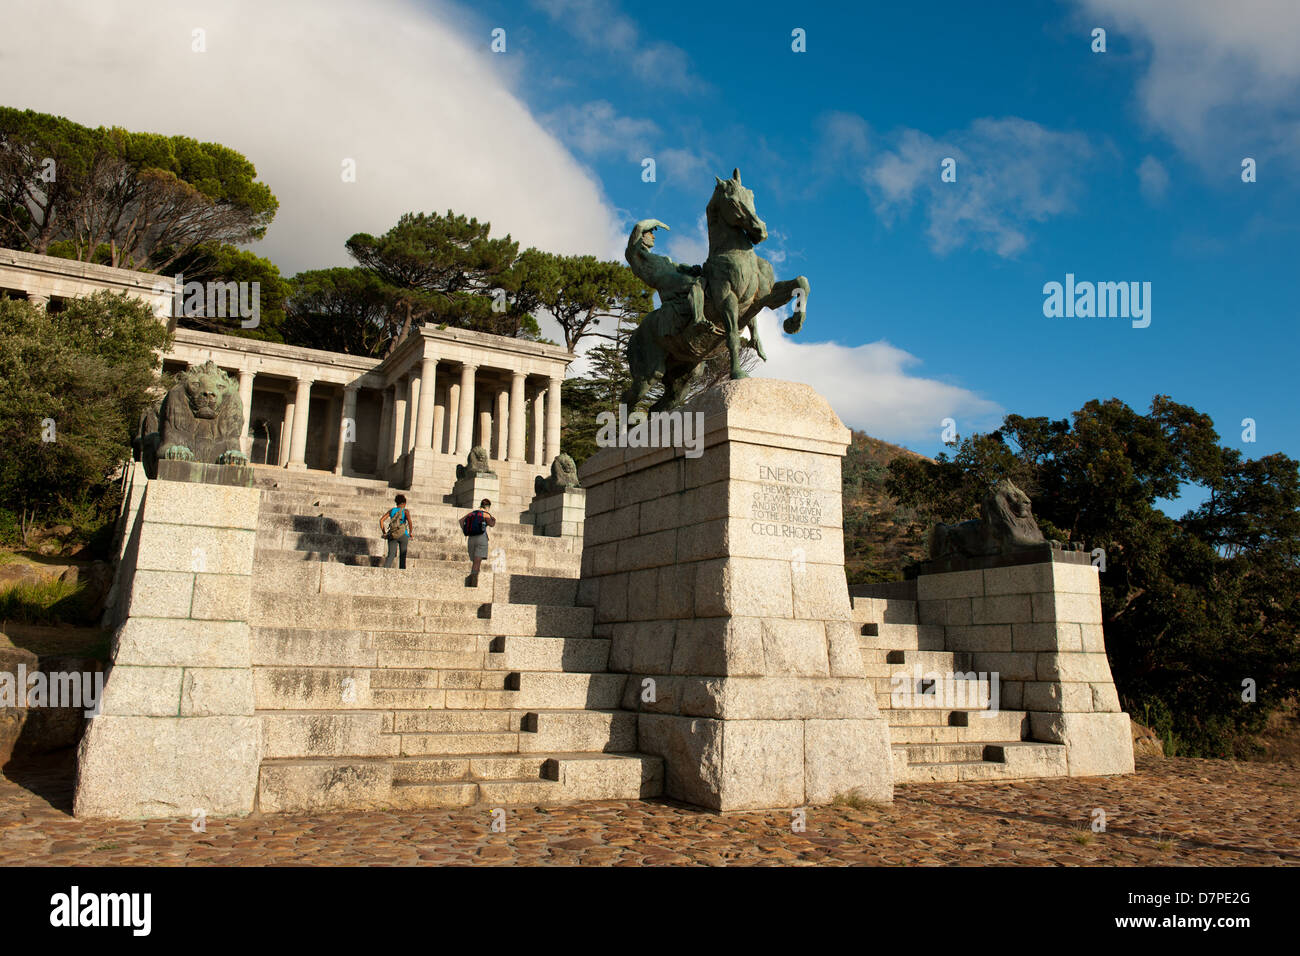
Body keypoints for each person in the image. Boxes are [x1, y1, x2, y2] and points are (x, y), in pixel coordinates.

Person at [459, 498, 496, 586]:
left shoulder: (472, 513)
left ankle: (473, 577)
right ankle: (474, 580)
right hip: (481, 538)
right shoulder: (486, 514)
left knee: (474, 561)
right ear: (488, 506)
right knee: (477, 562)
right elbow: (491, 524)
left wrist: (466, 531)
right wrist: (494, 520)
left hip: (471, 538)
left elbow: (461, 521)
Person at [380, 494, 414, 569]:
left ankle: (384, 572)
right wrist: (410, 533)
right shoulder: (405, 511)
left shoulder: (391, 510)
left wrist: (384, 533)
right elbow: (410, 522)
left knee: (391, 556)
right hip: (403, 534)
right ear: (404, 503)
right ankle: (402, 574)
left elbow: (381, 520)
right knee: (402, 556)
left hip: (392, 534)